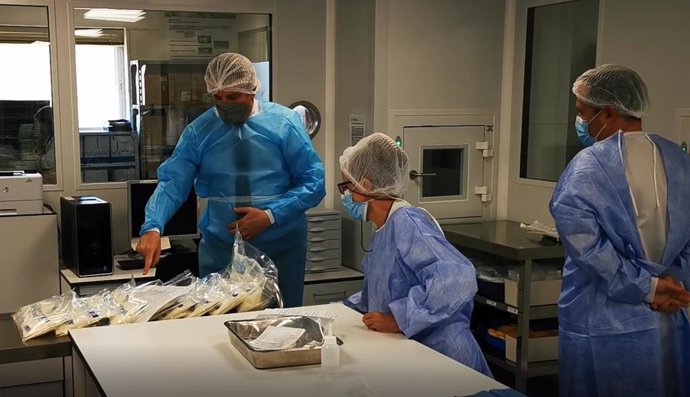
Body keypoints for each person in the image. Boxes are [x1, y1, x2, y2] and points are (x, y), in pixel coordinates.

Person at [136, 53, 325, 307]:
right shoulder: (200, 131)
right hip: (221, 249)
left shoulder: (284, 124)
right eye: (218, 97)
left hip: (280, 246)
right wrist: (153, 226)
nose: (224, 104)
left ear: (252, 91)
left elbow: (314, 182)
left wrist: (270, 215)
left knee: (280, 326)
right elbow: (173, 182)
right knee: (218, 326)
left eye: (233, 97)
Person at [550, 64, 690, 397]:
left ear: (609, 112)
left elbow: (589, 252)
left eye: (583, 113)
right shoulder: (679, 161)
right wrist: (674, 284)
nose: (581, 123)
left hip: (606, 325)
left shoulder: (586, 168)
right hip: (670, 315)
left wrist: (648, 288)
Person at [339, 132, 492, 377]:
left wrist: (399, 319)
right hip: (412, 352)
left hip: (443, 357)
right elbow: (380, 291)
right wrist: (338, 312)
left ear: (366, 186)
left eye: (346, 187)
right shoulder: (384, 229)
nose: (345, 196)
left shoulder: (408, 223)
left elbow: (457, 278)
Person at [33, 105, 56, 183]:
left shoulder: (58, 140)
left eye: (40, 123)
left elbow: (46, 163)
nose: (39, 127)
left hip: (55, 181)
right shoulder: (47, 138)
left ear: (48, 122)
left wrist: (33, 159)